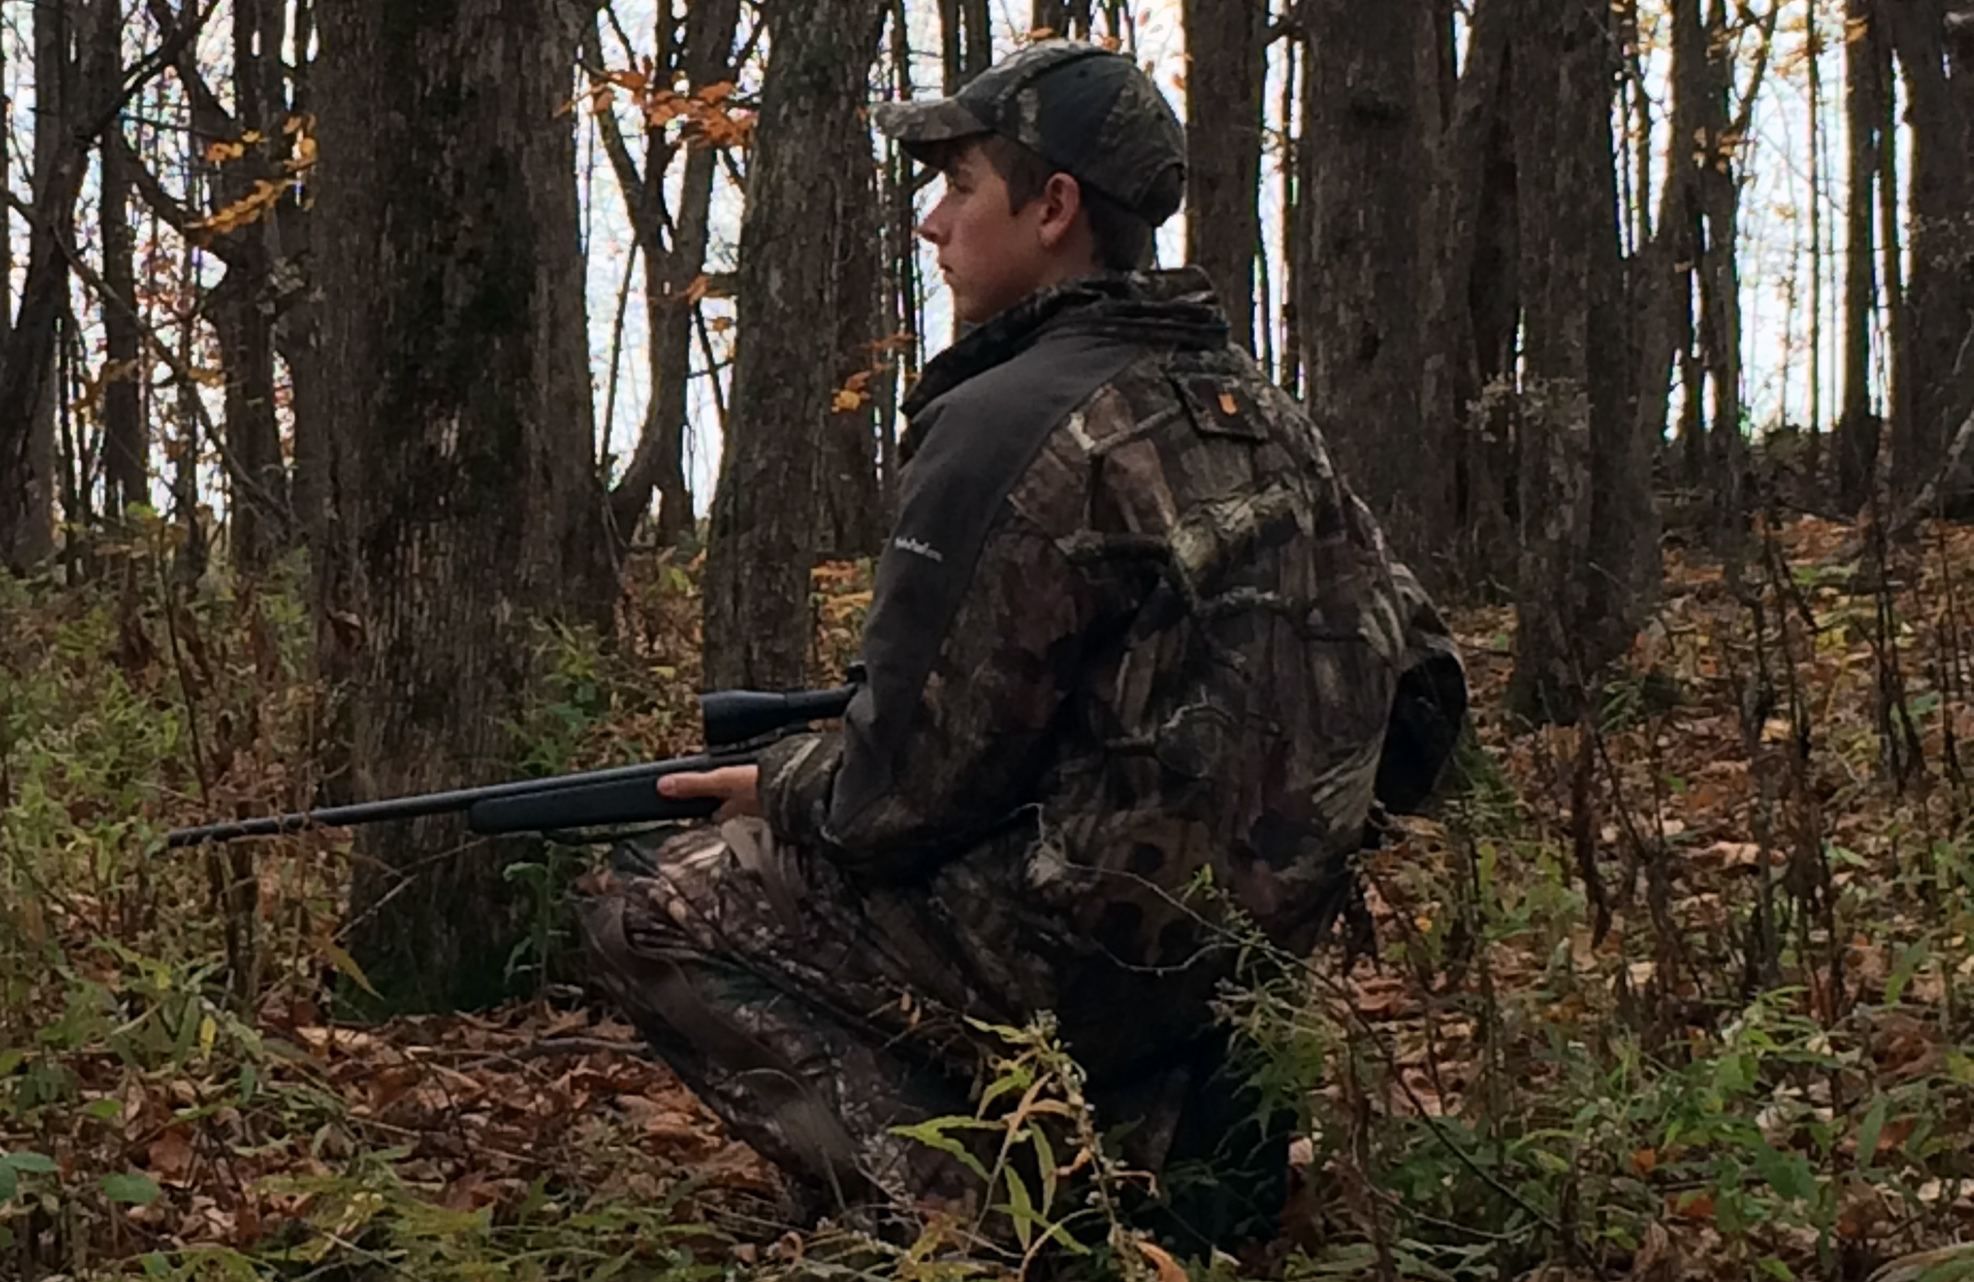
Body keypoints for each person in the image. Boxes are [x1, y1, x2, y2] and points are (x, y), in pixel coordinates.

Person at [578, 40, 1467, 1257]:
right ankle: (1184, 1155)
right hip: (1242, 958)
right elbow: (1423, 707)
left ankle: (988, 1219)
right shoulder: (1257, 409)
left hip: (1086, 958)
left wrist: (782, 778)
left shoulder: (1005, 420)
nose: (932, 224)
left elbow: (893, 801)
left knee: (650, 900)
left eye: (958, 187)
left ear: (1053, 208)